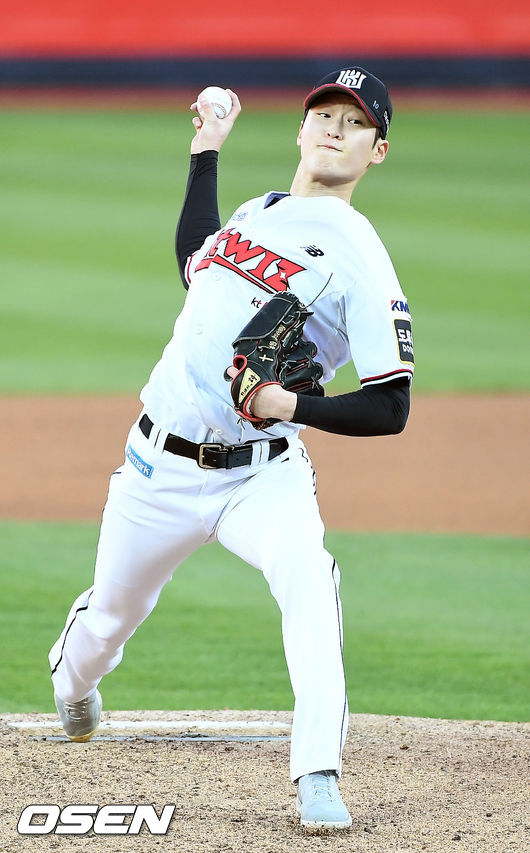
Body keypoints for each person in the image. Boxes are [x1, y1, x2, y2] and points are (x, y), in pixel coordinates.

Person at [49, 65, 414, 832]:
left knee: (310, 579)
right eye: (326, 114)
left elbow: (391, 403)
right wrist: (206, 150)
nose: (335, 129)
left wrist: (293, 404)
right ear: (301, 127)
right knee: (108, 621)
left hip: (264, 475)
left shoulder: (359, 252)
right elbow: (195, 262)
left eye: (356, 123)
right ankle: (75, 676)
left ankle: (317, 771)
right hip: (158, 466)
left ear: (377, 150)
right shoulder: (259, 211)